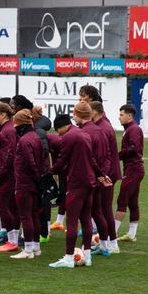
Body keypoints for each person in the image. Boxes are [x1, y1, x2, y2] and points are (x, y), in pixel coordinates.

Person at [48, 103, 97, 269]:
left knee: (72, 221)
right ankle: (88, 256)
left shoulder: (69, 136)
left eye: (58, 131)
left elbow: (62, 160)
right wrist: (100, 175)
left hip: (76, 183)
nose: (58, 134)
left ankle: (69, 258)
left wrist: (49, 172)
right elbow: (91, 159)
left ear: (61, 128)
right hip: (89, 182)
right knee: (86, 219)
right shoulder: (84, 134)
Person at [11, 109, 47, 259]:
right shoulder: (35, 137)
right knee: (33, 215)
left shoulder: (25, 140)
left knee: (26, 216)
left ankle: (28, 250)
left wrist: (34, 177)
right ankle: (36, 247)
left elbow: (30, 162)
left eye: (15, 122)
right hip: (34, 182)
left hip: (25, 182)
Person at [89, 101, 120, 255]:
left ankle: (112, 243)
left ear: (95, 111)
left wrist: (103, 175)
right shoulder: (104, 126)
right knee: (102, 208)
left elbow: (104, 155)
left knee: (105, 208)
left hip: (107, 174)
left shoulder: (102, 128)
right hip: (107, 173)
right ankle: (107, 242)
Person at [0, 102, 20, 254]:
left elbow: (9, 156)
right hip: (7, 173)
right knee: (9, 206)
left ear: (3, 115)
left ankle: (12, 240)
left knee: (4, 206)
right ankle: (13, 239)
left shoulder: (8, 131)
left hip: (7, 175)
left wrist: (0, 174)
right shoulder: (6, 128)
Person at [115, 104, 144, 242]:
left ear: (129, 116)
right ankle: (132, 234)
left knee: (122, 200)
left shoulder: (134, 129)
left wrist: (117, 155)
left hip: (133, 169)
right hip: (133, 169)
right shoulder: (131, 129)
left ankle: (111, 233)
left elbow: (134, 148)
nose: (119, 117)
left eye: (121, 115)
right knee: (132, 202)